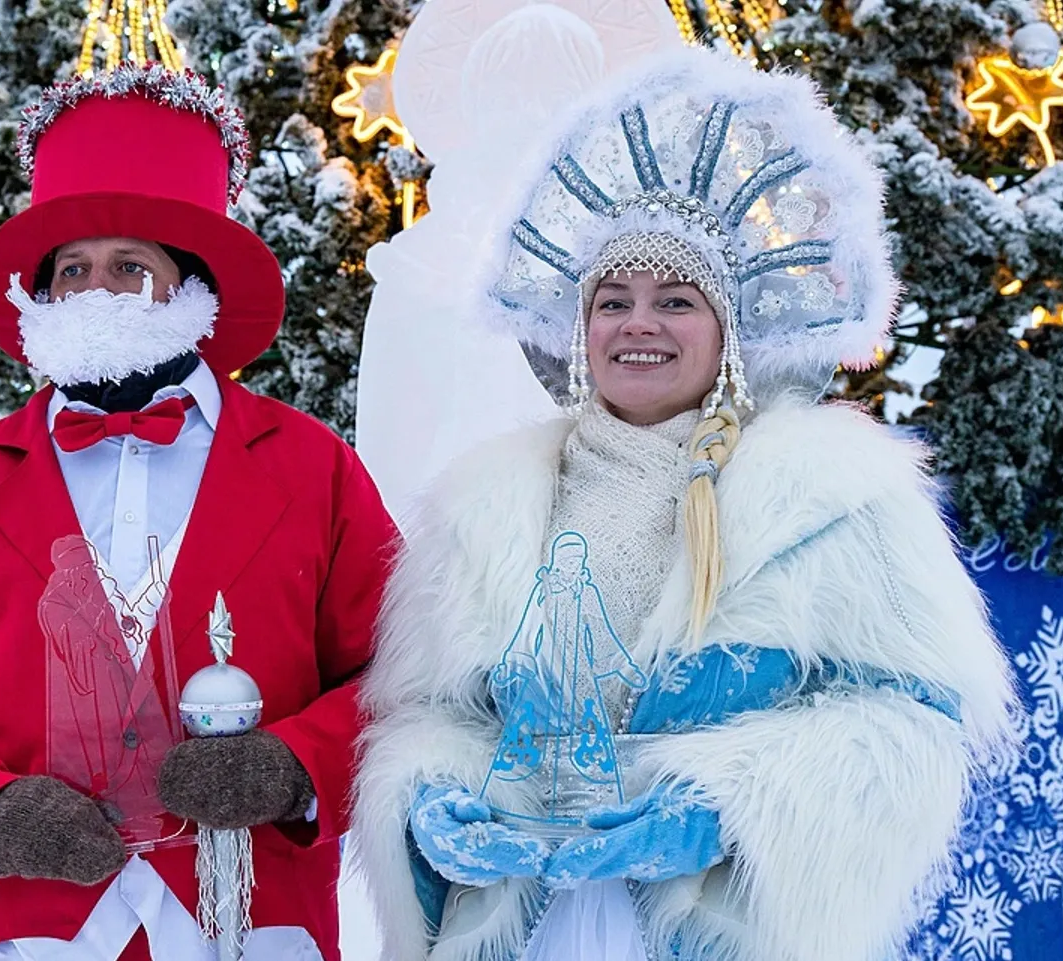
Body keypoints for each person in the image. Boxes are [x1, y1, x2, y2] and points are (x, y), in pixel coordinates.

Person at [353, 43, 1017, 961]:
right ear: (579, 331)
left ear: (729, 331)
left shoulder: (833, 496)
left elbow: (911, 725)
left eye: (676, 300)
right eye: (612, 300)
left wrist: (723, 808)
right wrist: (431, 797)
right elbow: (436, 714)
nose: (639, 323)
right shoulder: (483, 508)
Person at [0, 63, 396, 961]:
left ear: (195, 290)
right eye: (74, 270)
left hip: (251, 928)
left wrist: (296, 768)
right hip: (22, 935)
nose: (96, 288)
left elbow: (406, 677)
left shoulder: (314, 468)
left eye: (132, 266)